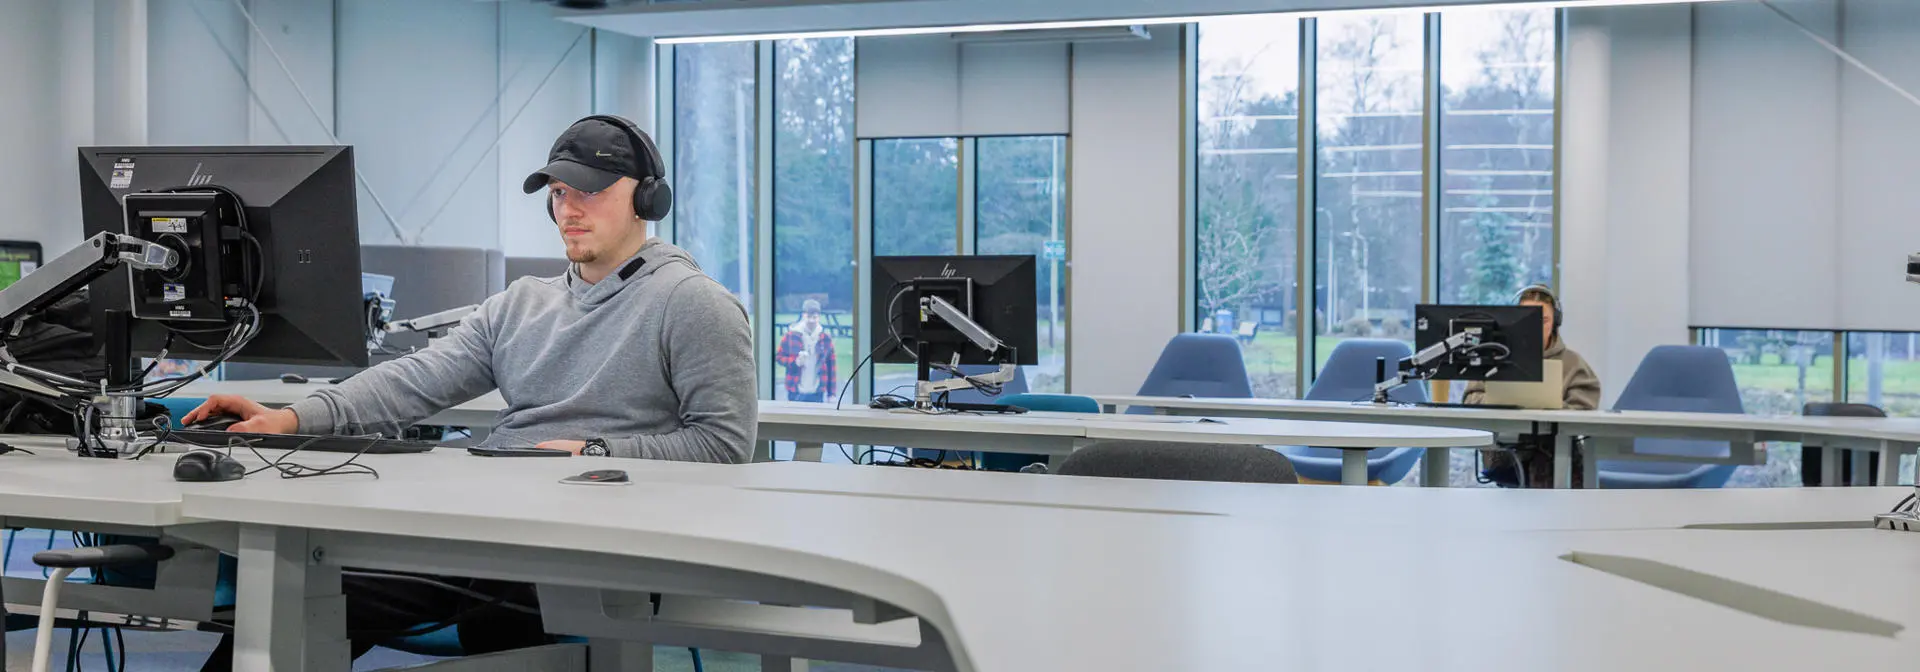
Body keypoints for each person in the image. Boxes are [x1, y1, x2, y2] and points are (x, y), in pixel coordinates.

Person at [184, 115, 756, 670]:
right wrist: (291, 418)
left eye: (591, 190)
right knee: (295, 597)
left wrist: (592, 455)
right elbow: (414, 380)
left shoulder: (693, 304)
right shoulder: (520, 304)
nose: (569, 208)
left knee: (453, 611)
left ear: (648, 200)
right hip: (488, 528)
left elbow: (723, 445)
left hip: (592, 548)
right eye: (558, 192)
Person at [1463, 284, 1601, 488]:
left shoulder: (1572, 363)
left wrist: (1549, 410)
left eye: (1543, 320)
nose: (1535, 327)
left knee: (1549, 449)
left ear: (1555, 321)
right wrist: (1501, 403)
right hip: (1504, 451)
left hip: (1554, 450)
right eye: (1527, 320)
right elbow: (1470, 399)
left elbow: (1585, 409)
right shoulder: (1494, 357)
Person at [776, 298, 837, 402]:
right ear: (803, 315)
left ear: (819, 317)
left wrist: (832, 393)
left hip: (817, 391)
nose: (811, 321)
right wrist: (794, 362)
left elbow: (831, 366)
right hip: (795, 390)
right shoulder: (791, 335)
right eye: (808, 317)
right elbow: (779, 357)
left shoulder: (825, 338)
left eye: (815, 317)